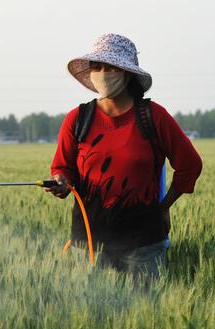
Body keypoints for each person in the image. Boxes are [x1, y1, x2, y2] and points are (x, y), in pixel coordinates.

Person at [46, 33, 202, 284]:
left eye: (110, 67)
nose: (102, 73)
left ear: (127, 73)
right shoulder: (78, 119)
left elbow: (190, 165)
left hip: (143, 243)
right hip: (89, 242)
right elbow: (63, 167)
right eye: (97, 66)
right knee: (93, 316)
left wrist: (164, 207)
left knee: (145, 313)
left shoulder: (153, 116)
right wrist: (61, 182)